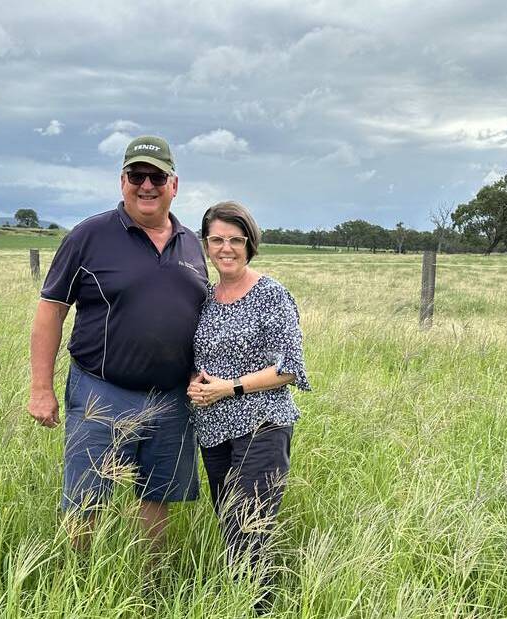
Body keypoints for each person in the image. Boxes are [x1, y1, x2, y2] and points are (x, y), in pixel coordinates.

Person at [28, 135, 208, 545]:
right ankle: (79, 580)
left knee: (157, 497)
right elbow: (51, 309)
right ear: (122, 181)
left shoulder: (193, 244)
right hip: (100, 391)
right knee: (86, 499)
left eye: (156, 176)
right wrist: (41, 388)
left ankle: (150, 586)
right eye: (136, 175)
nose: (147, 185)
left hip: (171, 397)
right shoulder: (89, 236)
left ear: (173, 185)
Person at [187, 201, 310, 610]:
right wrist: (196, 383)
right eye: (217, 239)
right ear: (206, 244)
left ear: (249, 244)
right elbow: (197, 356)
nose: (226, 248)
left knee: (248, 528)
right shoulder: (204, 296)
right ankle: (245, 602)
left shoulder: (270, 293)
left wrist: (230, 388)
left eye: (235, 240)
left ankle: (256, 608)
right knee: (229, 523)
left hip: (262, 425)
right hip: (214, 428)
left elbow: (289, 367)